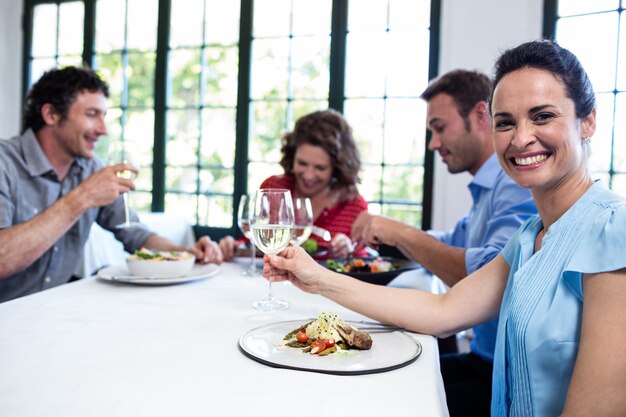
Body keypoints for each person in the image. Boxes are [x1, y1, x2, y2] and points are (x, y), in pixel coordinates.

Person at [263, 40, 626, 416]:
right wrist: (315, 276)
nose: (520, 139)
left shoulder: (613, 229)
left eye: (543, 116)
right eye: (505, 122)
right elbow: (441, 310)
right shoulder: (530, 237)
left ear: (588, 122)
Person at [351, 69, 537, 416]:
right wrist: (385, 235)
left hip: (504, 382)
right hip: (483, 362)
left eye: (439, 127)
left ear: (481, 115)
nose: (433, 143)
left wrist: (401, 233)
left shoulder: (514, 183)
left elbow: (484, 274)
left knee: (378, 392)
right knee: (376, 374)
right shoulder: (488, 190)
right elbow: (451, 242)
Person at [0, 66, 223, 303]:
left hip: (52, 311)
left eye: (103, 116)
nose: (103, 130)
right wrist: (82, 198)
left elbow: (135, 235)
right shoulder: (5, 163)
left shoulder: (91, 168)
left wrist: (186, 253)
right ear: (51, 114)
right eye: (91, 114)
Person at [219, 109, 368, 260]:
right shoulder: (274, 188)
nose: (309, 175)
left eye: (320, 168)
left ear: (337, 168)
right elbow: (252, 245)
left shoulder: (353, 204)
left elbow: (361, 261)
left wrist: (348, 251)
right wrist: (231, 247)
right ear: (292, 157)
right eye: (302, 163)